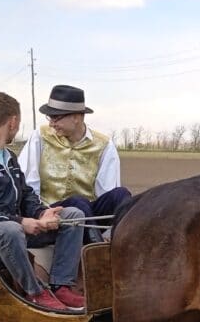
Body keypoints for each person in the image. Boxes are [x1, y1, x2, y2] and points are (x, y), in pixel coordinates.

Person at [0, 92, 86, 312]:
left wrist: (42, 213)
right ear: (13, 122)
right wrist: (20, 221)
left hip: (14, 228)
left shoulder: (8, 157)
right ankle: (36, 293)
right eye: (18, 123)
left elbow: (25, 193)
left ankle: (61, 284)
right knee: (10, 230)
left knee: (73, 217)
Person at [17, 84, 131, 239]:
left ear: (77, 117)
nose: (51, 123)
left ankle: (121, 241)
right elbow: (28, 183)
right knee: (78, 202)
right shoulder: (40, 136)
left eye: (56, 117)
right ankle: (96, 250)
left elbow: (107, 191)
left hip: (88, 215)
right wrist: (39, 214)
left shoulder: (104, 145)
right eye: (49, 117)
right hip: (49, 212)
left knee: (121, 195)